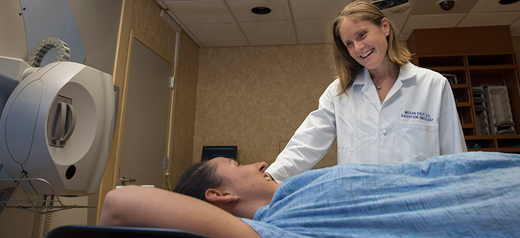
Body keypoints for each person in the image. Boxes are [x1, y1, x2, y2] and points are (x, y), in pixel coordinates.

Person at [265, 0, 467, 182]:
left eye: (362, 35)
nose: (359, 47)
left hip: (418, 206)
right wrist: (271, 176)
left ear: (385, 27)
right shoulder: (339, 93)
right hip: (360, 206)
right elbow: (308, 142)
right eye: (349, 44)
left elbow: (455, 156)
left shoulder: (432, 85)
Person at [99, 152, 520, 237]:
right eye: (237, 165)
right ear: (219, 194)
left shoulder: (292, 195)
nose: (260, 163)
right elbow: (119, 203)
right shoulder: (277, 227)